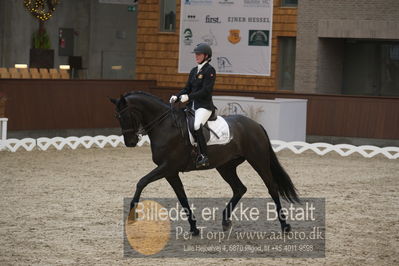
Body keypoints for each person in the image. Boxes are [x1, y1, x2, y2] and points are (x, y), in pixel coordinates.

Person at [170, 43, 216, 168]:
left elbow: (206, 91)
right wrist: (177, 96)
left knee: (196, 125)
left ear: (206, 56)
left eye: (199, 54)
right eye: (196, 54)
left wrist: (189, 97)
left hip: (204, 106)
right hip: (192, 106)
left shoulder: (210, 71)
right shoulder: (194, 71)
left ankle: (204, 156)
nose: (196, 56)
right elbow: (187, 88)